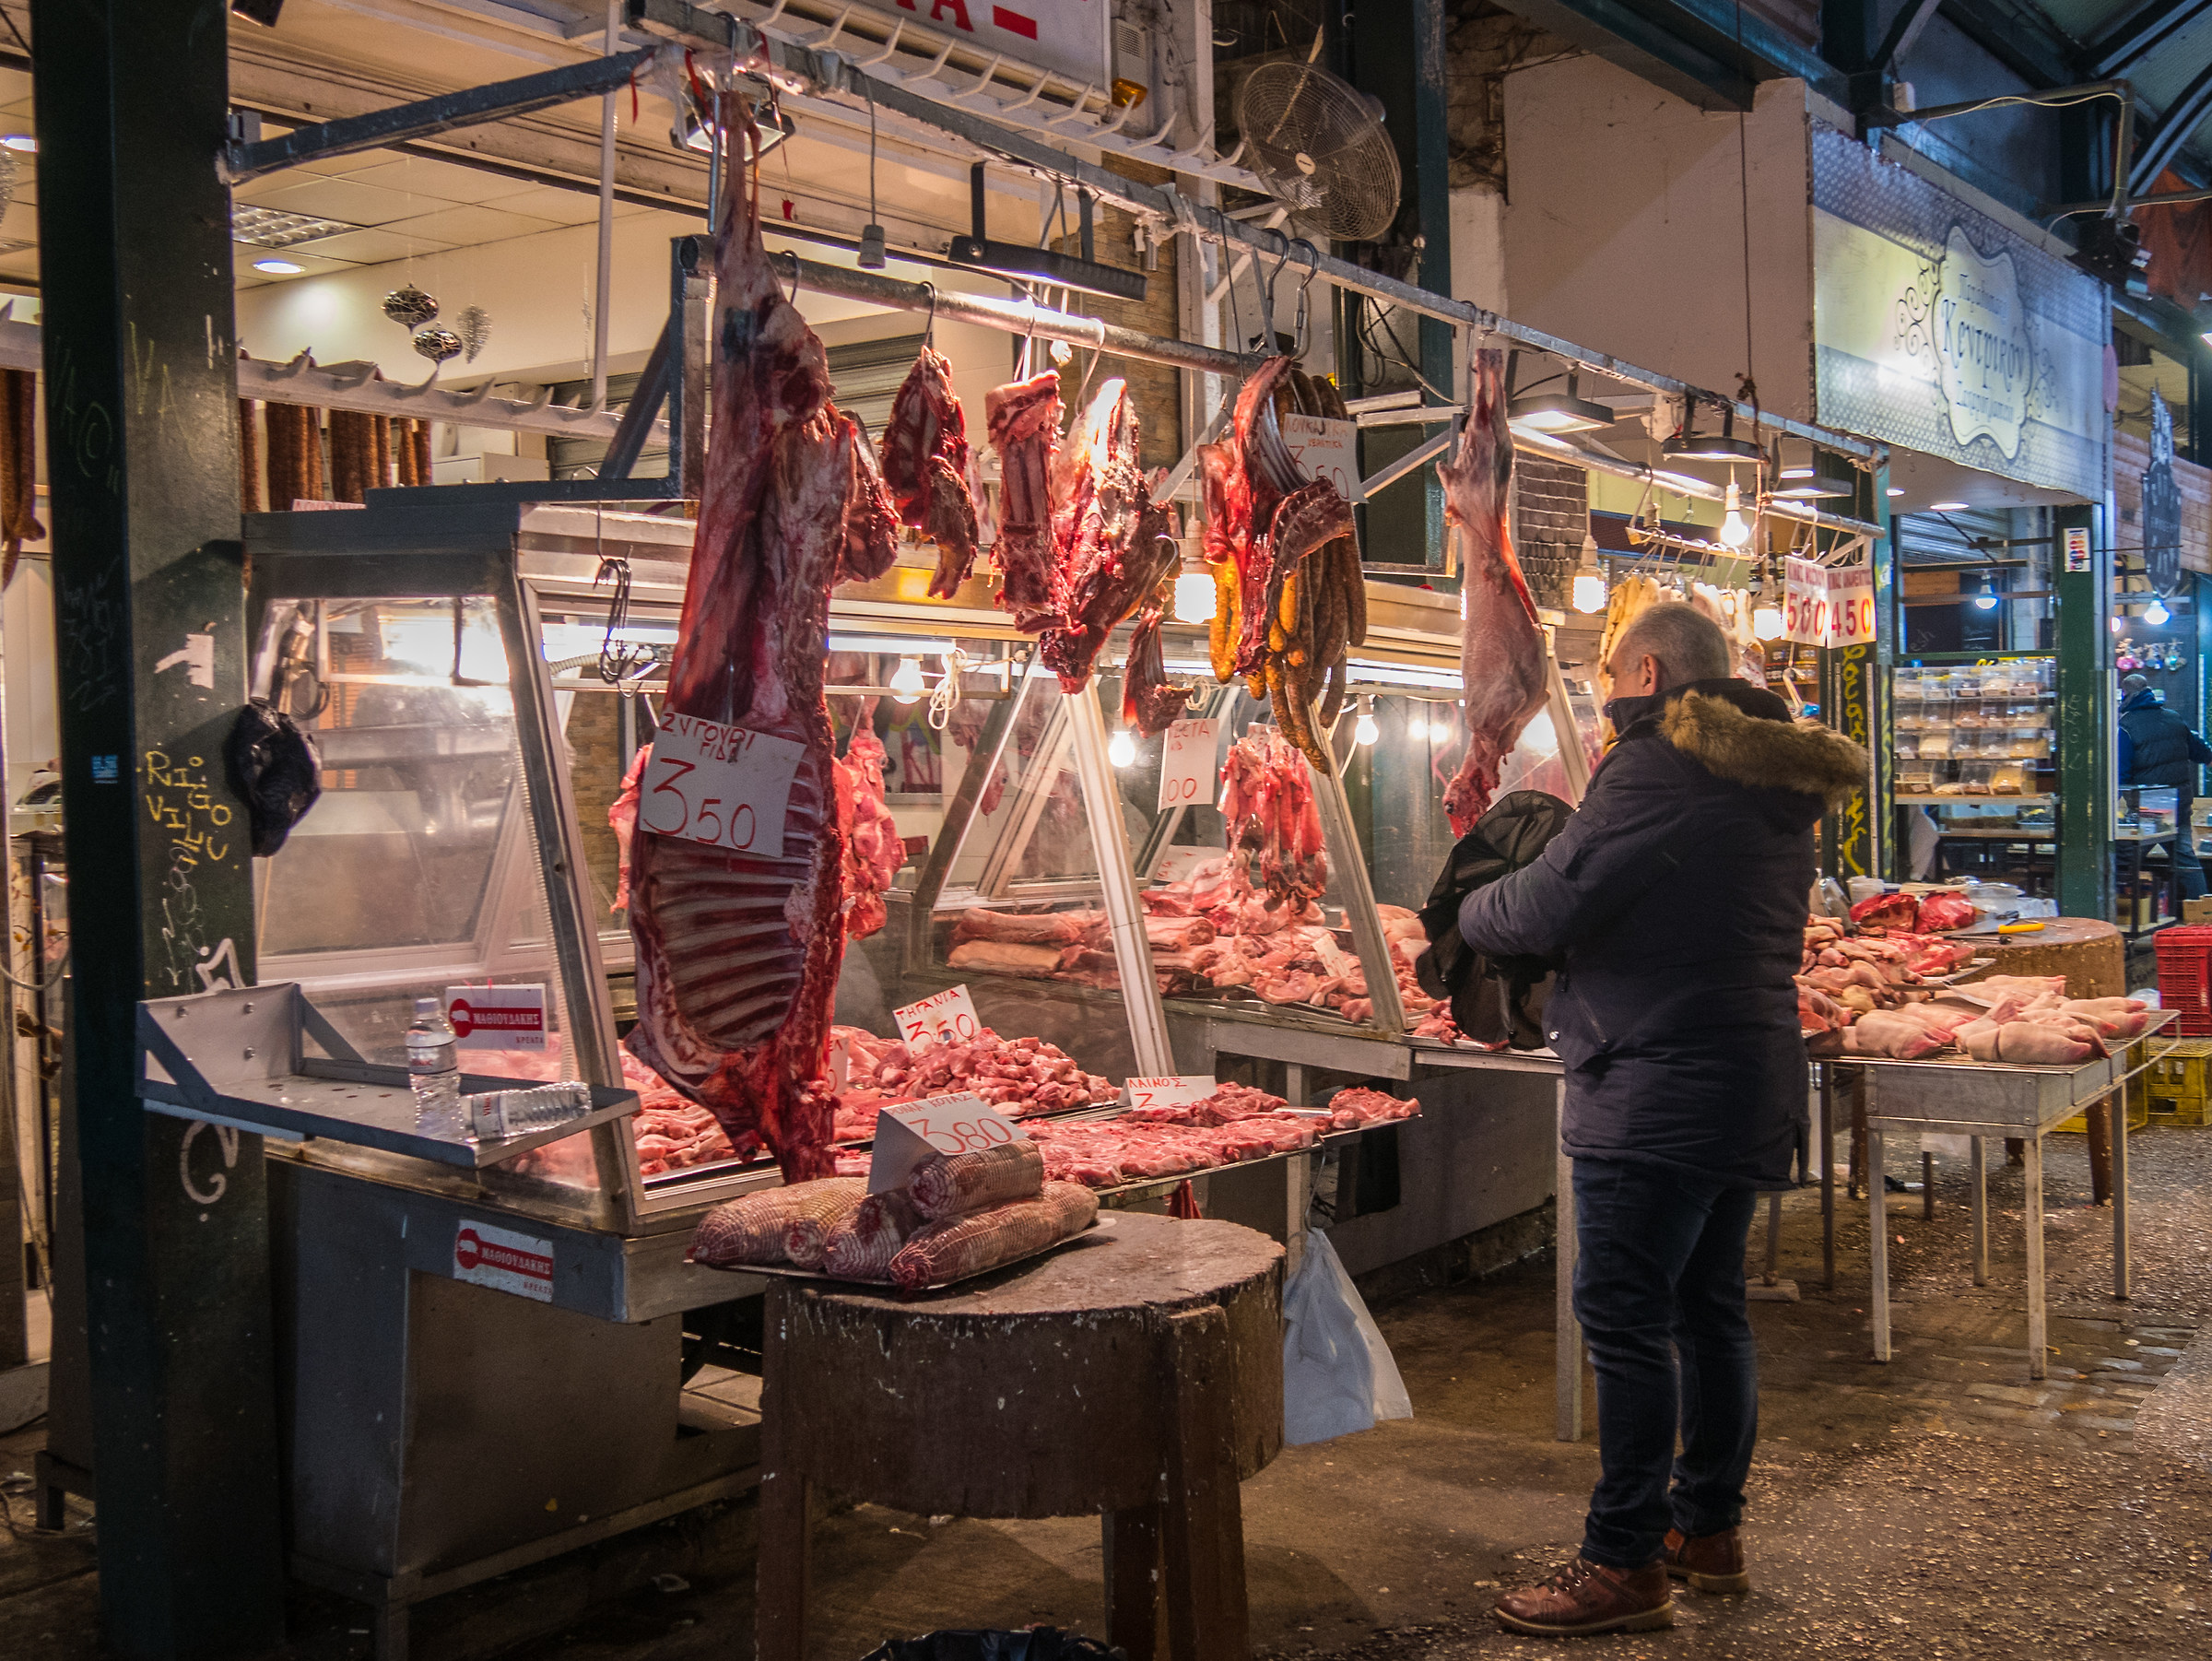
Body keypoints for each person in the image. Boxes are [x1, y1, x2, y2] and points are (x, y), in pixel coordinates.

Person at [1460, 603, 1868, 1636]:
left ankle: (1623, 1559)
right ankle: (1708, 1529)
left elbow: (1551, 901)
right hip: (1744, 1075)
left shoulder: (1656, 764)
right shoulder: (1776, 776)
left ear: (1644, 670)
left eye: (1606, 677)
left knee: (1626, 1317)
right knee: (1708, 1307)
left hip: (1654, 1083)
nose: (1601, 699)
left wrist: (1468, 907)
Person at [2117, 672, 2212, 902]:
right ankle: (2203, 913)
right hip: (2179, 801)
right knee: (2185, 859)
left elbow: (2121, 770)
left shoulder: (2126, 726)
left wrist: (2113, 800)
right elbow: (2201, 752)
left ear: (2126, 695)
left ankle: (2119, 911)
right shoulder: (2174, 718)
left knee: (2125, 857)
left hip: (2148, 806)